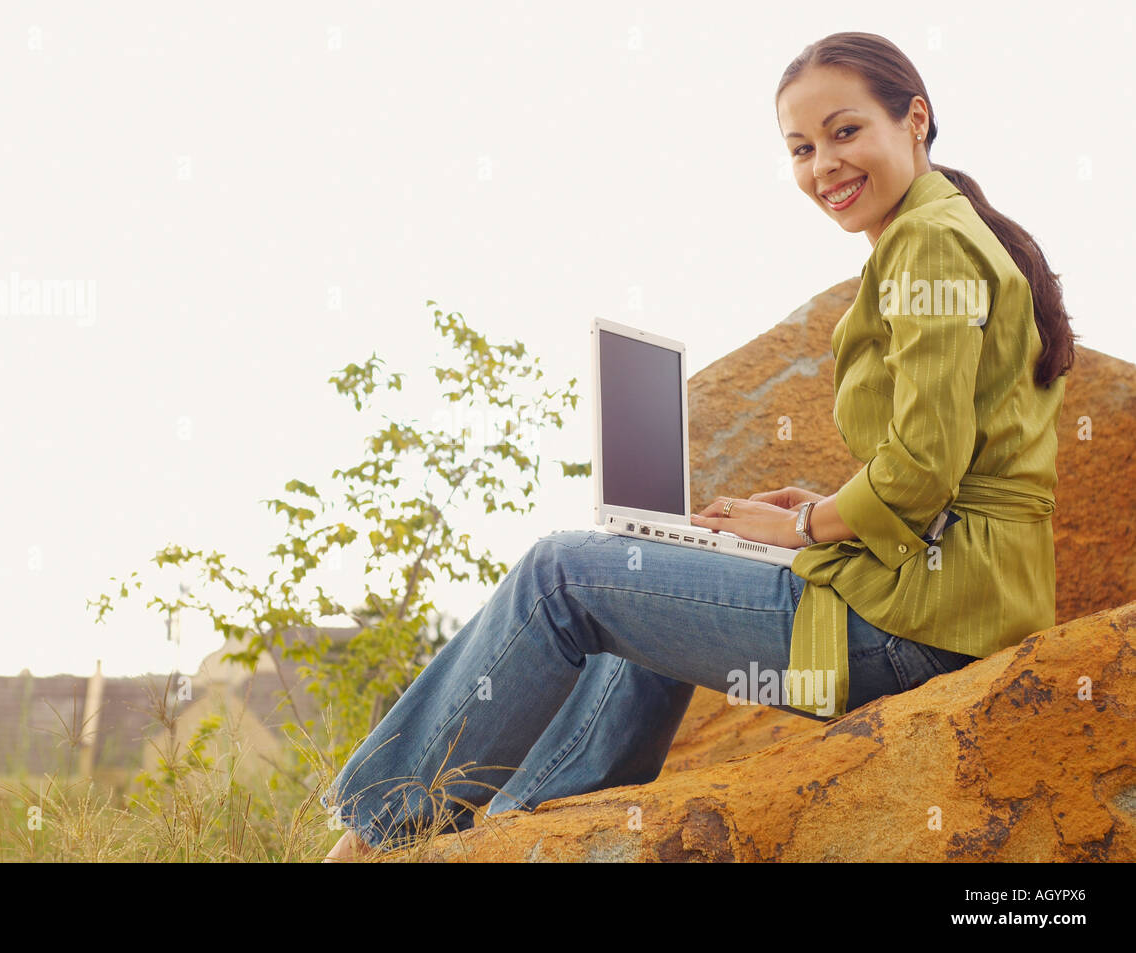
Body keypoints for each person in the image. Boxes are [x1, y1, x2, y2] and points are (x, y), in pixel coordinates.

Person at [322, 31, 1076, 861]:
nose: (824, 164)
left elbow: (925, 468)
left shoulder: (927, 241)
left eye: (845, 131)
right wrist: (813, 504)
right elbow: (948, 457)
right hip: (955, 606)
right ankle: (539, 821)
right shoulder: (957, 229)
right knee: (657, 559)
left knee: (563, 572)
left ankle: (380, 830)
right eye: (801, 148)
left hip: (919, 630)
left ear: (916, 119)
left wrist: (807, 525)